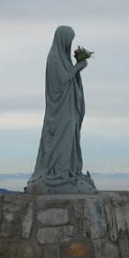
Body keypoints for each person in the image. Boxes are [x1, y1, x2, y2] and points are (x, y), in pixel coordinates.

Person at [25, 25, 96, 194]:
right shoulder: (55, 58)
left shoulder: (62, 59)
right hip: (59, 110)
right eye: (69, 40)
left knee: (70, 137)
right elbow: (62, 80)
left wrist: (76, 67)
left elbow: (68, 78)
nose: (70, 43)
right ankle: (59, 173)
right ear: (62, 39)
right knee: (62, 139)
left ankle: (67, 170)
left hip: (67, 107)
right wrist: (78, 67)